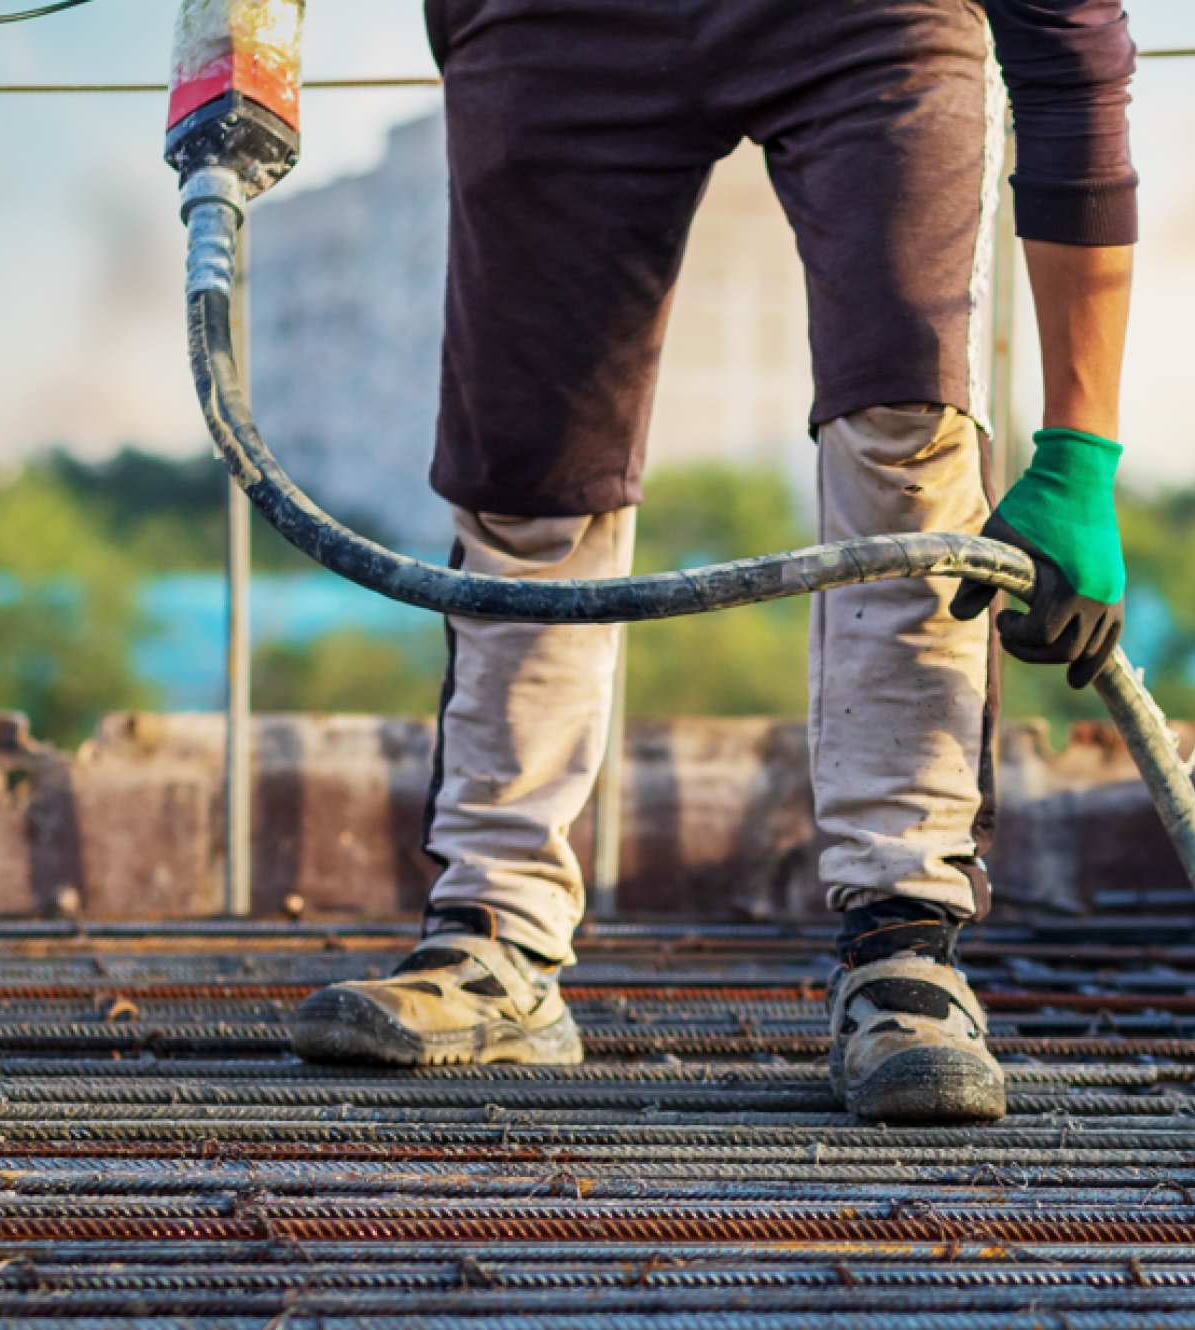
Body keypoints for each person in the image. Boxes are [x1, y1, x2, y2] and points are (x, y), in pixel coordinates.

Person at [291, 0, 1137, 1124]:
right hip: (557, 21)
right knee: (525, 468)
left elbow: (1070, 53)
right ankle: (492, 935)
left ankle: (903, 949)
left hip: (868, 21)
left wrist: (1078, 450)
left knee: (906, 425)